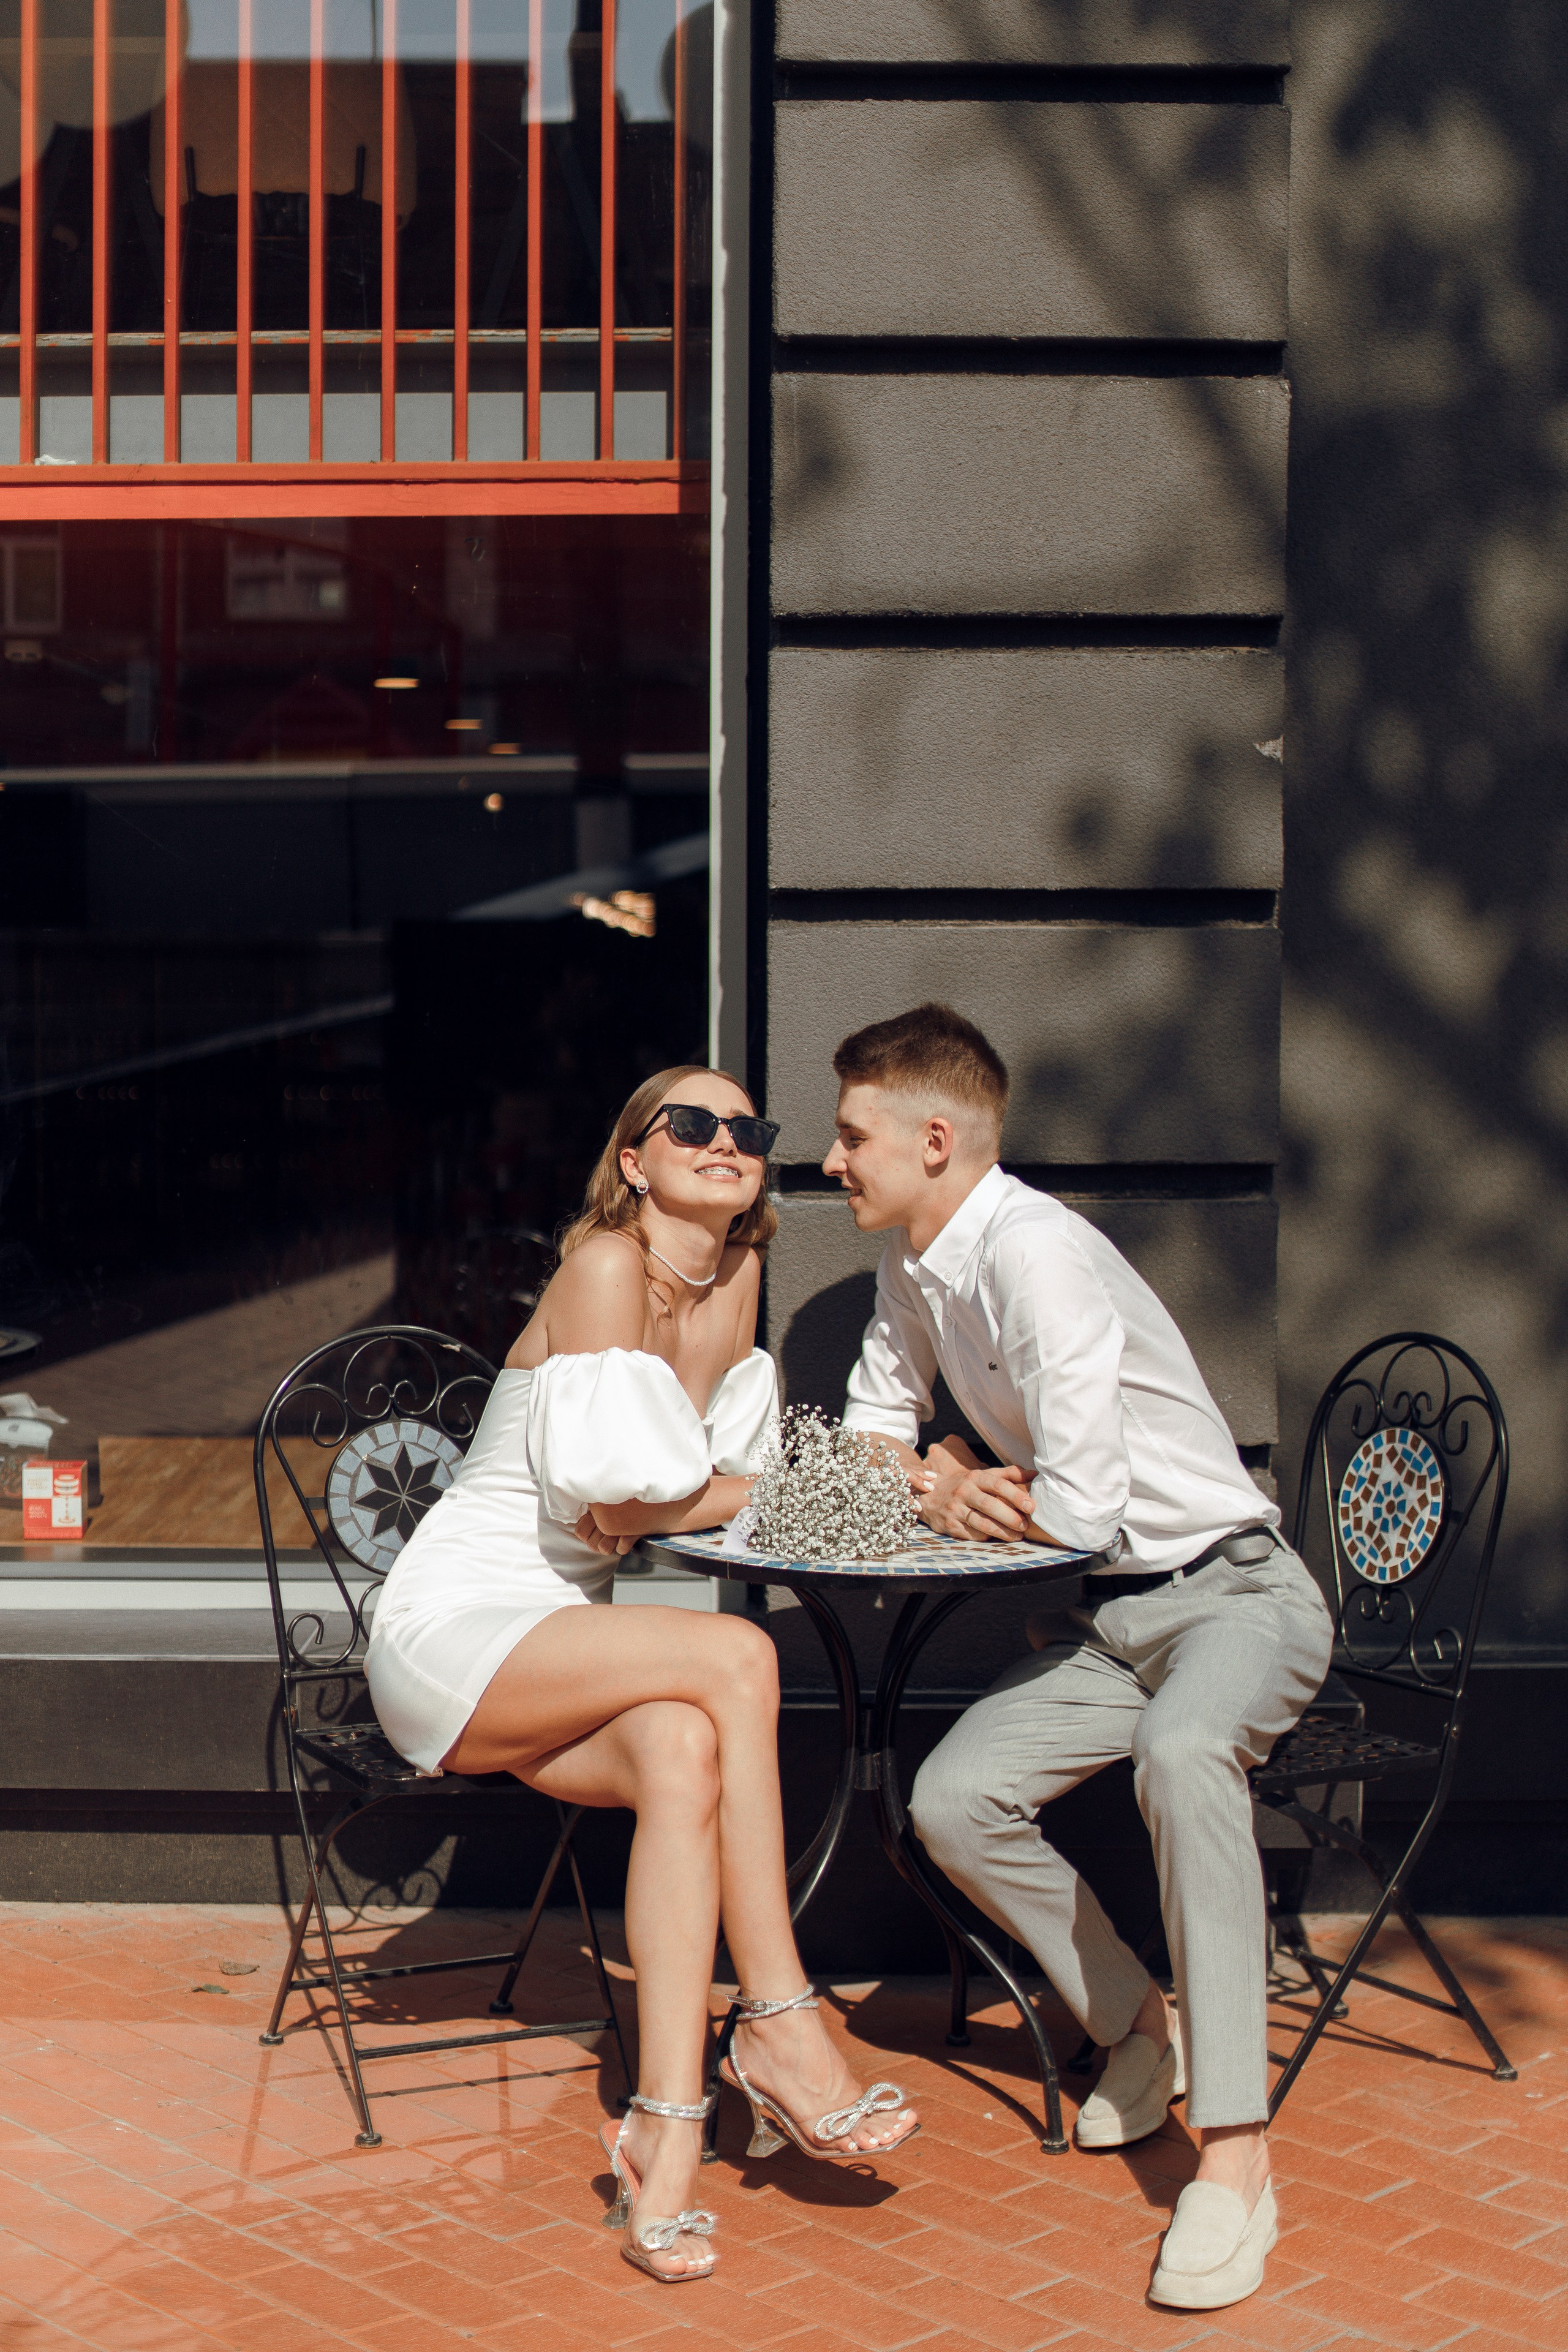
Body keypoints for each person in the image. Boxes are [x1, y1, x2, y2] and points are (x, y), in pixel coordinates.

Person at [365, 1065, 918, 2286]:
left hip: (564, 1637)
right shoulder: (605, 1266)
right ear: (632, 1159)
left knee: (683, 1744)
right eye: (691, 1124)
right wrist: (825, 1487)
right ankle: (781, 2023)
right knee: (733, 1651)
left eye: (748, 1130)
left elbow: (692, 1515)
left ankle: (662, 2135)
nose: (726, 1141)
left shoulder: (735, 1285)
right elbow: (620, 1503)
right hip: (457, 1624)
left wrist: (865, 1496)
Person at [823, 1004, 1332, 2313]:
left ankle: (1236, 2157)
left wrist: (946, 1485)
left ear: (933, 1140)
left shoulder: (1034, 1254)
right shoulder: (916, 1266)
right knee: (948, 1799)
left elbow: (1083, 1508)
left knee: (1179, 1752)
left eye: (849, 1136)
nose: (831, 1162)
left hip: (1233, 1598)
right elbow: (874, 1442)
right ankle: (1134, 2027)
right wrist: (937, 1482)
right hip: (1114, 1625)